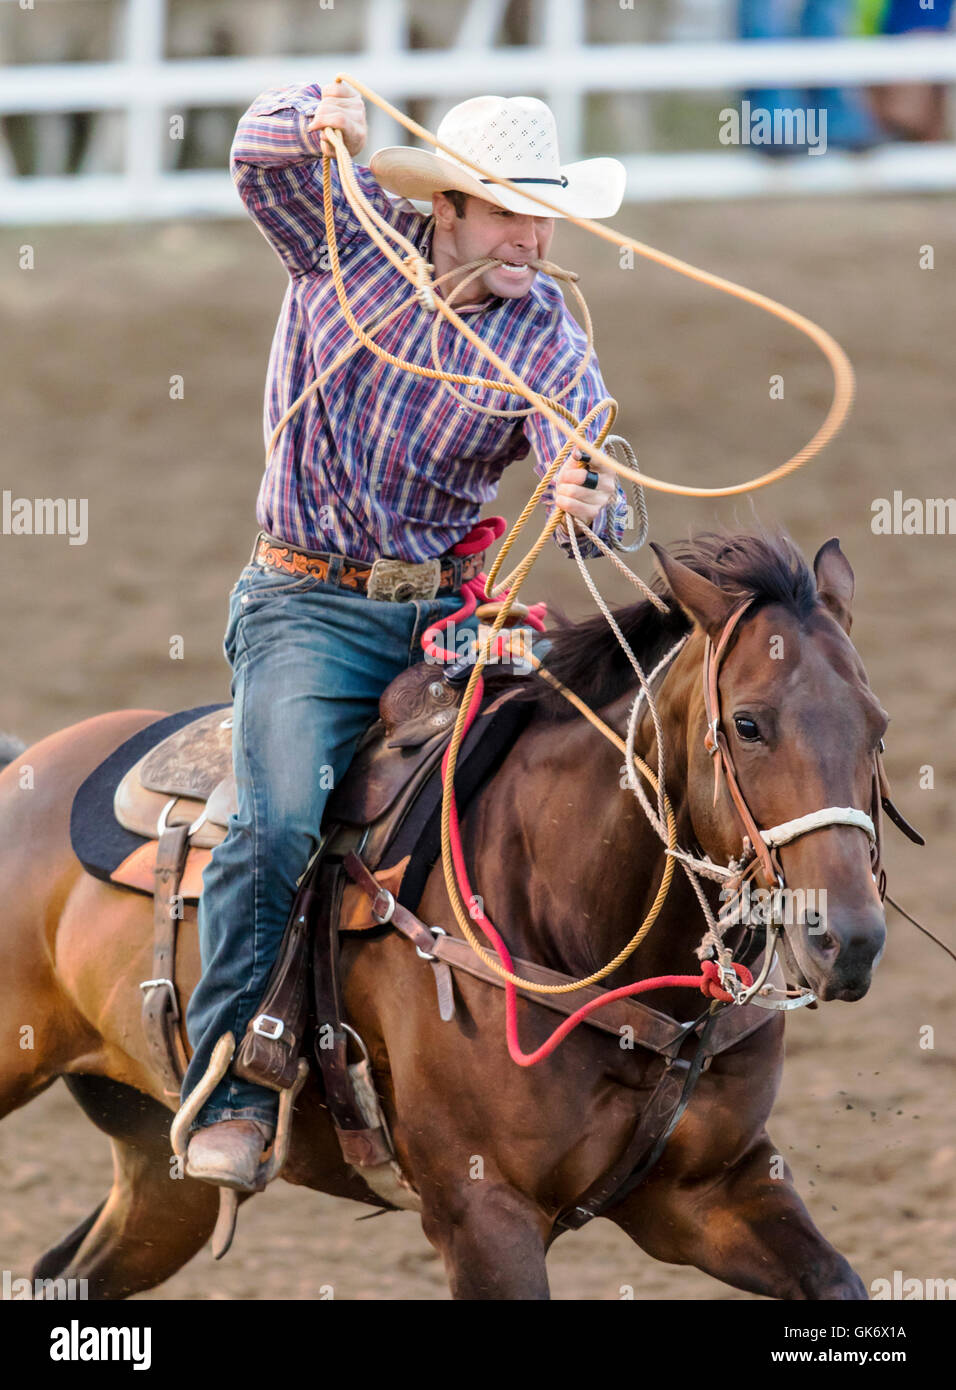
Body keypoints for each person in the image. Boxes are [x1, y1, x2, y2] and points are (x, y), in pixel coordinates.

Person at [181, 80, 632, 1190]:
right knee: (279, 816)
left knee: (574, 774)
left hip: (449, 612)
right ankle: (231, 1078)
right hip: (306, 604)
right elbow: (257, 162)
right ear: (447, 209)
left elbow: (591, 469)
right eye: (505, 211)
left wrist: (589, 497)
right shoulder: (345, 244)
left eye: (543, 214)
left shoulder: (543, 331)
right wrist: (310, 113)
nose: (531, 235)